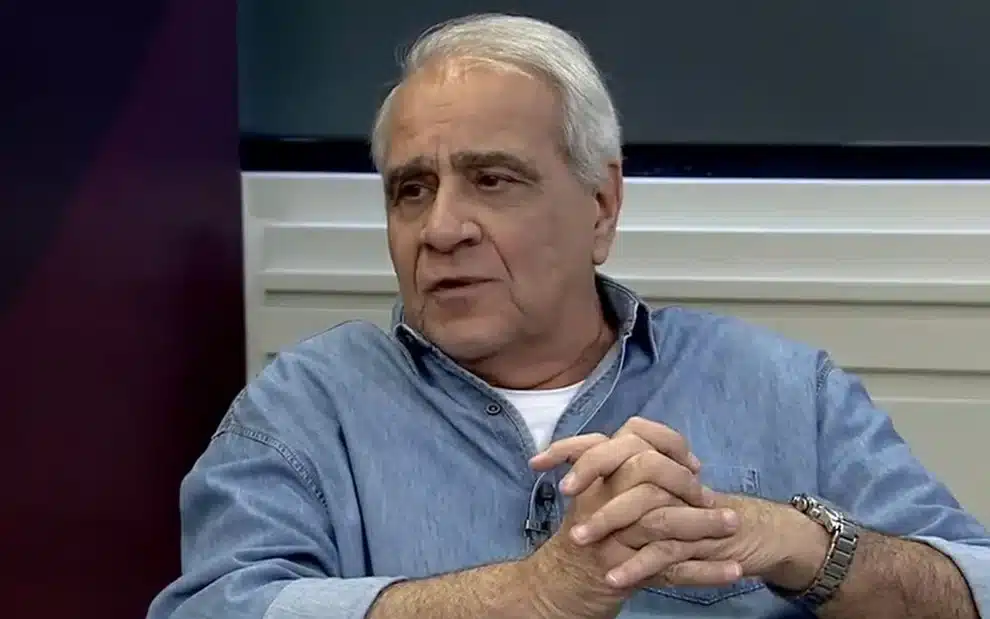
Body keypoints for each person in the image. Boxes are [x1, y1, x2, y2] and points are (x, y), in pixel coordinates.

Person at [147, 13, 989, 619]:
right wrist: (534, 594)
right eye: (412, 189)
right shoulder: (305, 409)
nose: (442, 228)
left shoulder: (783, 388)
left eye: (492, 180)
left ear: (601, 205)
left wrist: (798, 543)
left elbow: (973, 584)